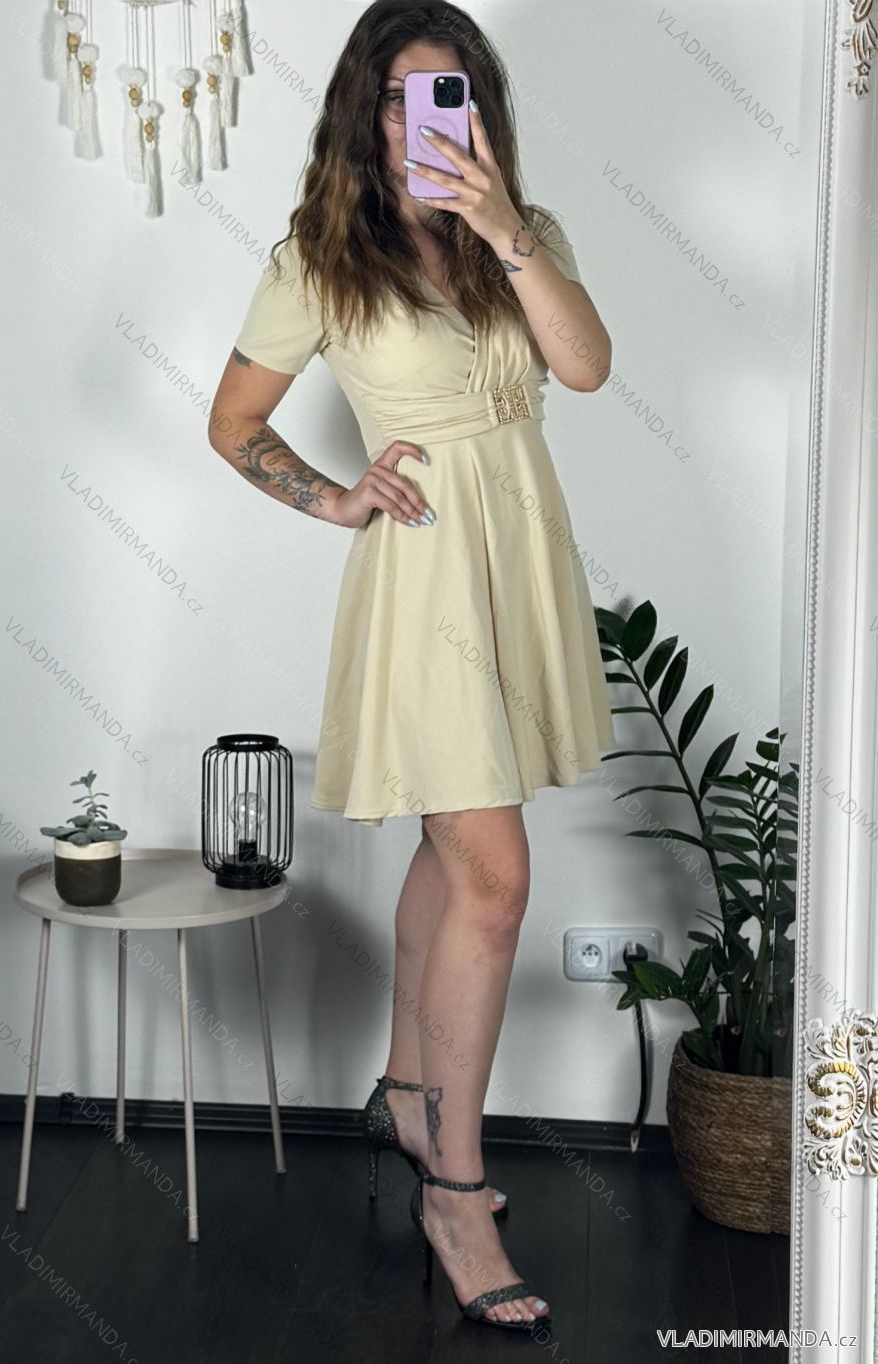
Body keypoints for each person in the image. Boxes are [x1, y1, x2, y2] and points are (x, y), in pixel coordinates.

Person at [208, 0, 615, 1334]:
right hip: (427, 569)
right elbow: (235, 421)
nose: (420, 120)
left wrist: (502, 229)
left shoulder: (522, 234)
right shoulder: (316, 258)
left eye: (448, 94)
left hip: (522, 561)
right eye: (397, 96)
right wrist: (333, 499)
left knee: (455, 853)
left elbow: (584, 368)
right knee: (494, 878)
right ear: (362, 110)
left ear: (478, 109)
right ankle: (453, 1190)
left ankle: (401, 1086)